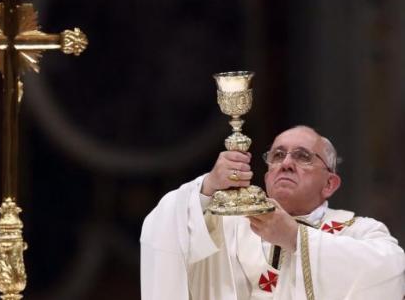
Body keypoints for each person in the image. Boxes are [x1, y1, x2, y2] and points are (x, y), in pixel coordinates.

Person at [140, 125, 405, 300]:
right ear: (267, 176)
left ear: (329, 184)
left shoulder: (358, 231)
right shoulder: (229, 224)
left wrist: (295, 237)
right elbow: (164, 228)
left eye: (303, 156)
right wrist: (208, 185)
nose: (286, 163)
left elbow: (391, 269)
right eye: (278, 155)